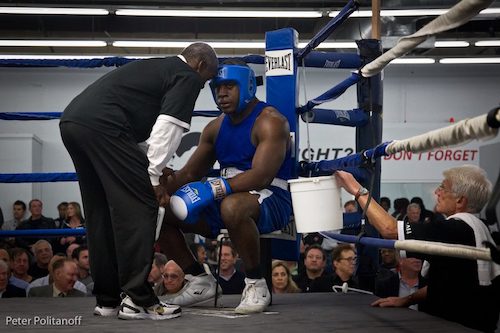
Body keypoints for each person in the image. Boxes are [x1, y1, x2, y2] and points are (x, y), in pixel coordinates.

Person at [59, 42, 218, 320]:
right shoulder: (187, 76)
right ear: (201, 65)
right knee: (143, 206)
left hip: (75, 122)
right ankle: (138, 299)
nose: (203, 86)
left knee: (101, 214)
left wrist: (156, 164)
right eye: (207, 81)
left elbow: (129, 133)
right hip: (104, 127)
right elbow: (168, 126)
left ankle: (108, 300)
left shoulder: (158, 68)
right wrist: (154, 177)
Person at [157, 59, 292, 314]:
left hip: (271, 199)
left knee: (232, 206)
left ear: (248, 85)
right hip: (227, 198)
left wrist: (213, 189)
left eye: (229, 86)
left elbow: (262, 176)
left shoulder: (270, 121)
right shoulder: (215, 127)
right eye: (217, 87)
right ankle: (199, 280)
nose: (221, 93)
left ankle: (255, 282)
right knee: (160, 212)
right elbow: (189, 173)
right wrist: (157, 183)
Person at [335, 165, 500, 332]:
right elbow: (449, 282)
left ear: (460, 200)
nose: (437, 192)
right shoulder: (479, 228)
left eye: (443, 187)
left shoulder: (454, 229)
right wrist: (407, 299)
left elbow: (389, 229)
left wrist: (356, 189)